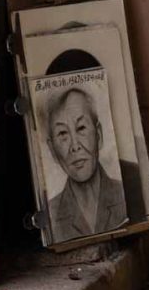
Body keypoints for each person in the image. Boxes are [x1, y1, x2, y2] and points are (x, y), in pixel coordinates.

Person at [45, 87, 128, 242]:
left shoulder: (126, 195)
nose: (75, 146)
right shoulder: (51, 213)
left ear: (99, 135)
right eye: (63, 133)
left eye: (81, 128)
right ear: (52, 149)